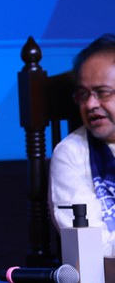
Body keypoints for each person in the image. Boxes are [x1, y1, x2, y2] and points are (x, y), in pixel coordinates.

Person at [50, 34, 115, 247]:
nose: (90, 105)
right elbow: (89, 244)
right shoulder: (70, 154)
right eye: (83, 94)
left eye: (102, 93)